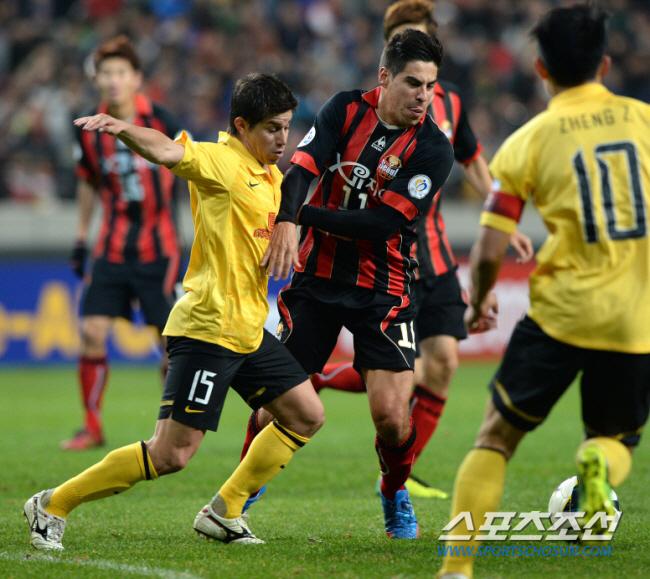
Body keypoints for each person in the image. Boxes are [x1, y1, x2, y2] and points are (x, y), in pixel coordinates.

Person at [23, 72, 325, 550]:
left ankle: (224, 511)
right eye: (272, 128)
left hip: (247, 328)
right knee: (171, 455)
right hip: (208, 327)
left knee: (306, 414)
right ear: (242, 126)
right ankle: (52, 503)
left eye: (287, 127)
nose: (282, 139)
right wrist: (122, 128)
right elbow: (166, 149)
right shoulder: (220, 161)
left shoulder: (272, 177)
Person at [438, 5, 650, 578]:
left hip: (561, 313)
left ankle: (456, 570)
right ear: (605, 64)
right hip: (636, 319)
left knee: (495, 438)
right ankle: (593, 463)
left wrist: (480, 297)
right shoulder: (645, 121)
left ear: (540, 68)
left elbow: (487, 248)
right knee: (615, 439)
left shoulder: (529, 141)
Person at [235, 28, 459, 540]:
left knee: (390, 417)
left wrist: (303, 216)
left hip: (384, 288)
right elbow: (298, 171)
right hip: (315, 279)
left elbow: (383, 224)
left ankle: (393, 490)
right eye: (412, 83)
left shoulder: (434, 149)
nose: (423, 96)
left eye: (430, 86)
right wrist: (286, 219)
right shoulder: (343, 109)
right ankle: (237, 496)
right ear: (384, 78)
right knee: (277, 407)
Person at [309, 0, 534, 500]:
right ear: (389, 59)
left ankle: (401, 479)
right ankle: (325, 392)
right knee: (388, 376)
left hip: (433, 256)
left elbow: (475, 161)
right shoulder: (360, 108)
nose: (423, 91)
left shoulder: (449, 104)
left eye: (421, 36)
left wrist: (504, 215)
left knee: (445, 362)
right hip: (389, 258)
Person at [64, 36, 184, 451]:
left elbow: (193, 168)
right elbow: (88, 184)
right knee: (92, 332)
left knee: (171, 343)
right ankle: (91, 426)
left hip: (160, 249)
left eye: (121, 73)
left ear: (136, 78)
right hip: (112, 248)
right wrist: (81, 237)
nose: (113, 81)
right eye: (106, 73)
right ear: (96, 79)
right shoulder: (88, 130)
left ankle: (173, 427)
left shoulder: (164, 120)